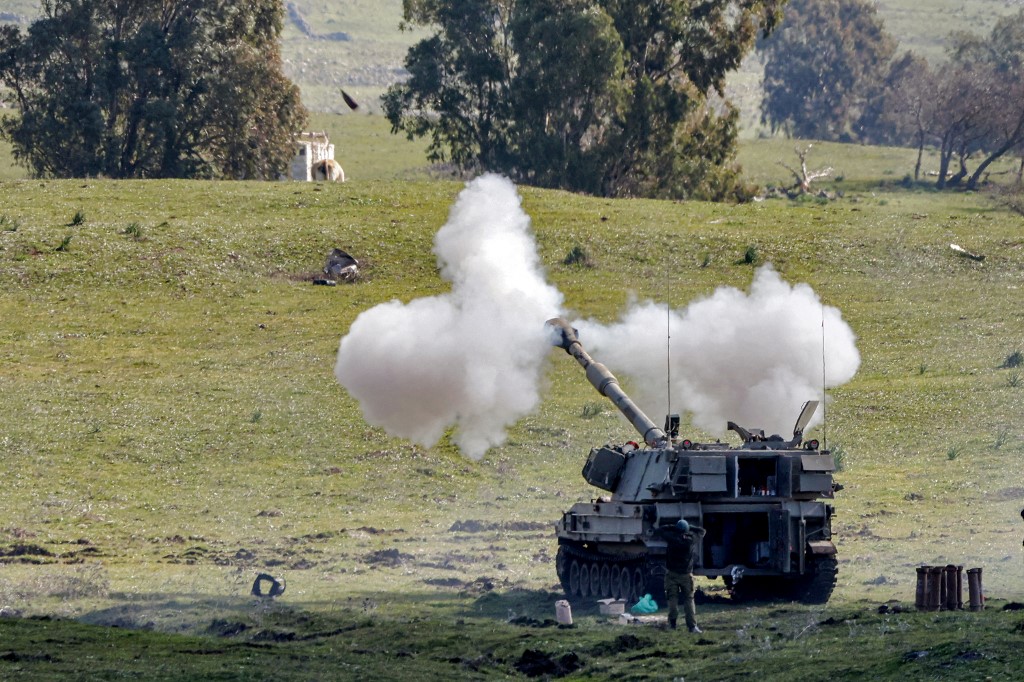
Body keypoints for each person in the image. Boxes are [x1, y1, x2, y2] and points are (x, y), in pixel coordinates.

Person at [652, 519, 706, 632]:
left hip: (672, 574)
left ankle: (672, 624)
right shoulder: (690, 541)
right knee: (689, 599)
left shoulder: (672, 539)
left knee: (672, 599)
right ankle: (692, 626)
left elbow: (660, 530)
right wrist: (690, 527)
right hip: (686, 575)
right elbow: (702, 531)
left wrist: (673, 526)